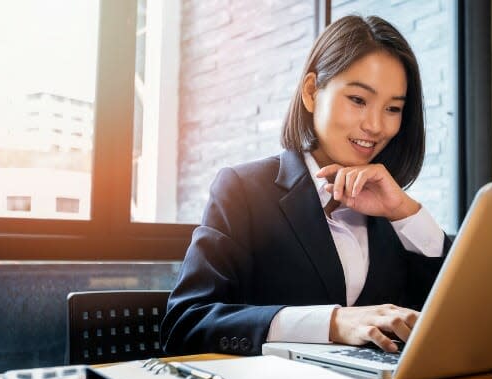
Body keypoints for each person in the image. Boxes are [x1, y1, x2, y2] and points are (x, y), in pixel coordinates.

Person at [161, 15, 451, 357]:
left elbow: (450, 321)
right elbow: (185, 324)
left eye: (392, 108)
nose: (375, 125)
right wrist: (331, 323)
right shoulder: (244, 190)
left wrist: (405, 212)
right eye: (358, 99)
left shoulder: (396, 218)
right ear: (312, 92)